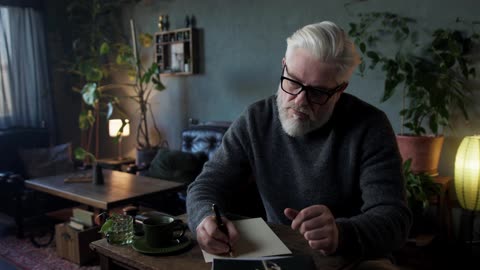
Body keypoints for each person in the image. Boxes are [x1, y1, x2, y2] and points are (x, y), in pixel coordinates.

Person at [186, 21, 412, 267]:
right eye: (292, 81)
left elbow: (394, 219)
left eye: (317, 93)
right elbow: (205, 185)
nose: (299, 100)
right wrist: (204, 219)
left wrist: (341, 233)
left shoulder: (370, 126)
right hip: (281, 257)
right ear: (284, 65)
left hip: (358, 259)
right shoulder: (255, 120)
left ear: (340, 90)